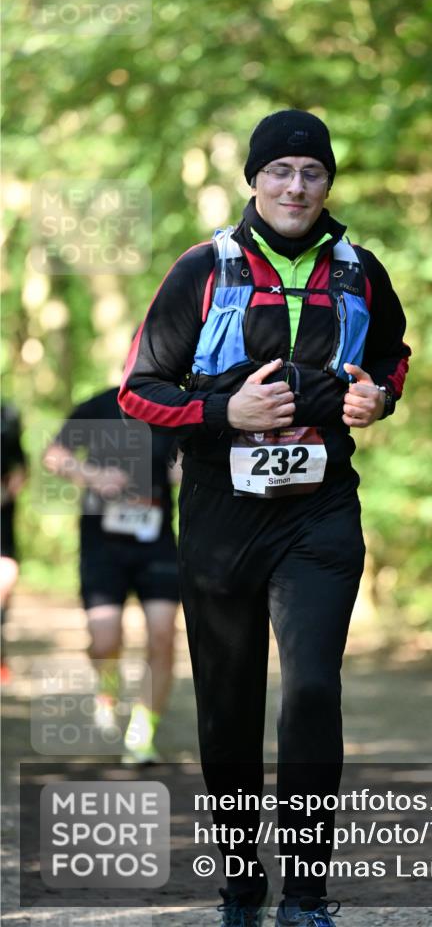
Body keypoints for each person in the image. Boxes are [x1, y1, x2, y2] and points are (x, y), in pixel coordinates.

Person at [119, 109, 410, 925]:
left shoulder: (358, 270)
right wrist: (225, 412)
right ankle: (243, 888)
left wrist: (377, 398)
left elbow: (390, 357)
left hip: (320, 511)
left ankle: (306, 897)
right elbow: (140, 390)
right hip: (221, 514)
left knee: (312, 689)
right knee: (229, 706)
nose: (295, 186)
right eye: (279, 171)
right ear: (253, 179)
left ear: (327, 184)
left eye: (311, 172)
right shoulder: (203, 268)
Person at [43, 385, 182, 763]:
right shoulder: (98, 406)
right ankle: (107, 688)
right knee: (105, 641)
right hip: (101, 544)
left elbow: (181, 468)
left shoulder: (172, 408)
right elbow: (54, 455)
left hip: (156, 540)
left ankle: (142, 734)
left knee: (163, 634)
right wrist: (94, 475)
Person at [1, 402, 28, 683]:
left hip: (2, 517)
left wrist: (12, 489)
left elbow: (21, 465)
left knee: (5, 581)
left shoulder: (7, 415)